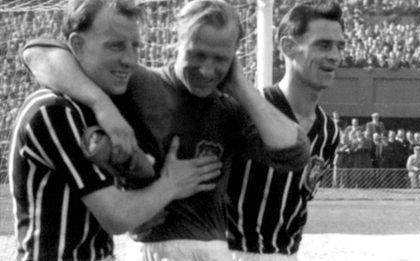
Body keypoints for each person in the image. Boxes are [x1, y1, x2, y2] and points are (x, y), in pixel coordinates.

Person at [21, 0, 310, 259]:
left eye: (220, 59)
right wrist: (103, 106)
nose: (207, 70)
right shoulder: (137, 83)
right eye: (197, 54)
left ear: (234, 57)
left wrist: (239, 86)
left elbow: (294, 152)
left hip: (213, 251)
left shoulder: (229, 110)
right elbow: (39, 52)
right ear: (177, 42)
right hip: (152, 250)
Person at [9, 1, 223, 260]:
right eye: (115, 45)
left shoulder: (108, 106)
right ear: (77, 45)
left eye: (135, 46)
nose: (130, 60)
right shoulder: (53, 110)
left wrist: (144, 205)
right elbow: (116, 216)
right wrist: (172, 184)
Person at [227, 1, 342, 259]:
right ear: (288, 47)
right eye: (323, 45)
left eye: (339, 46)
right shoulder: (246, 111)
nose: (335, 55)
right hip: (232, 252)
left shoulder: (330, 132)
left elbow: (300, 201)